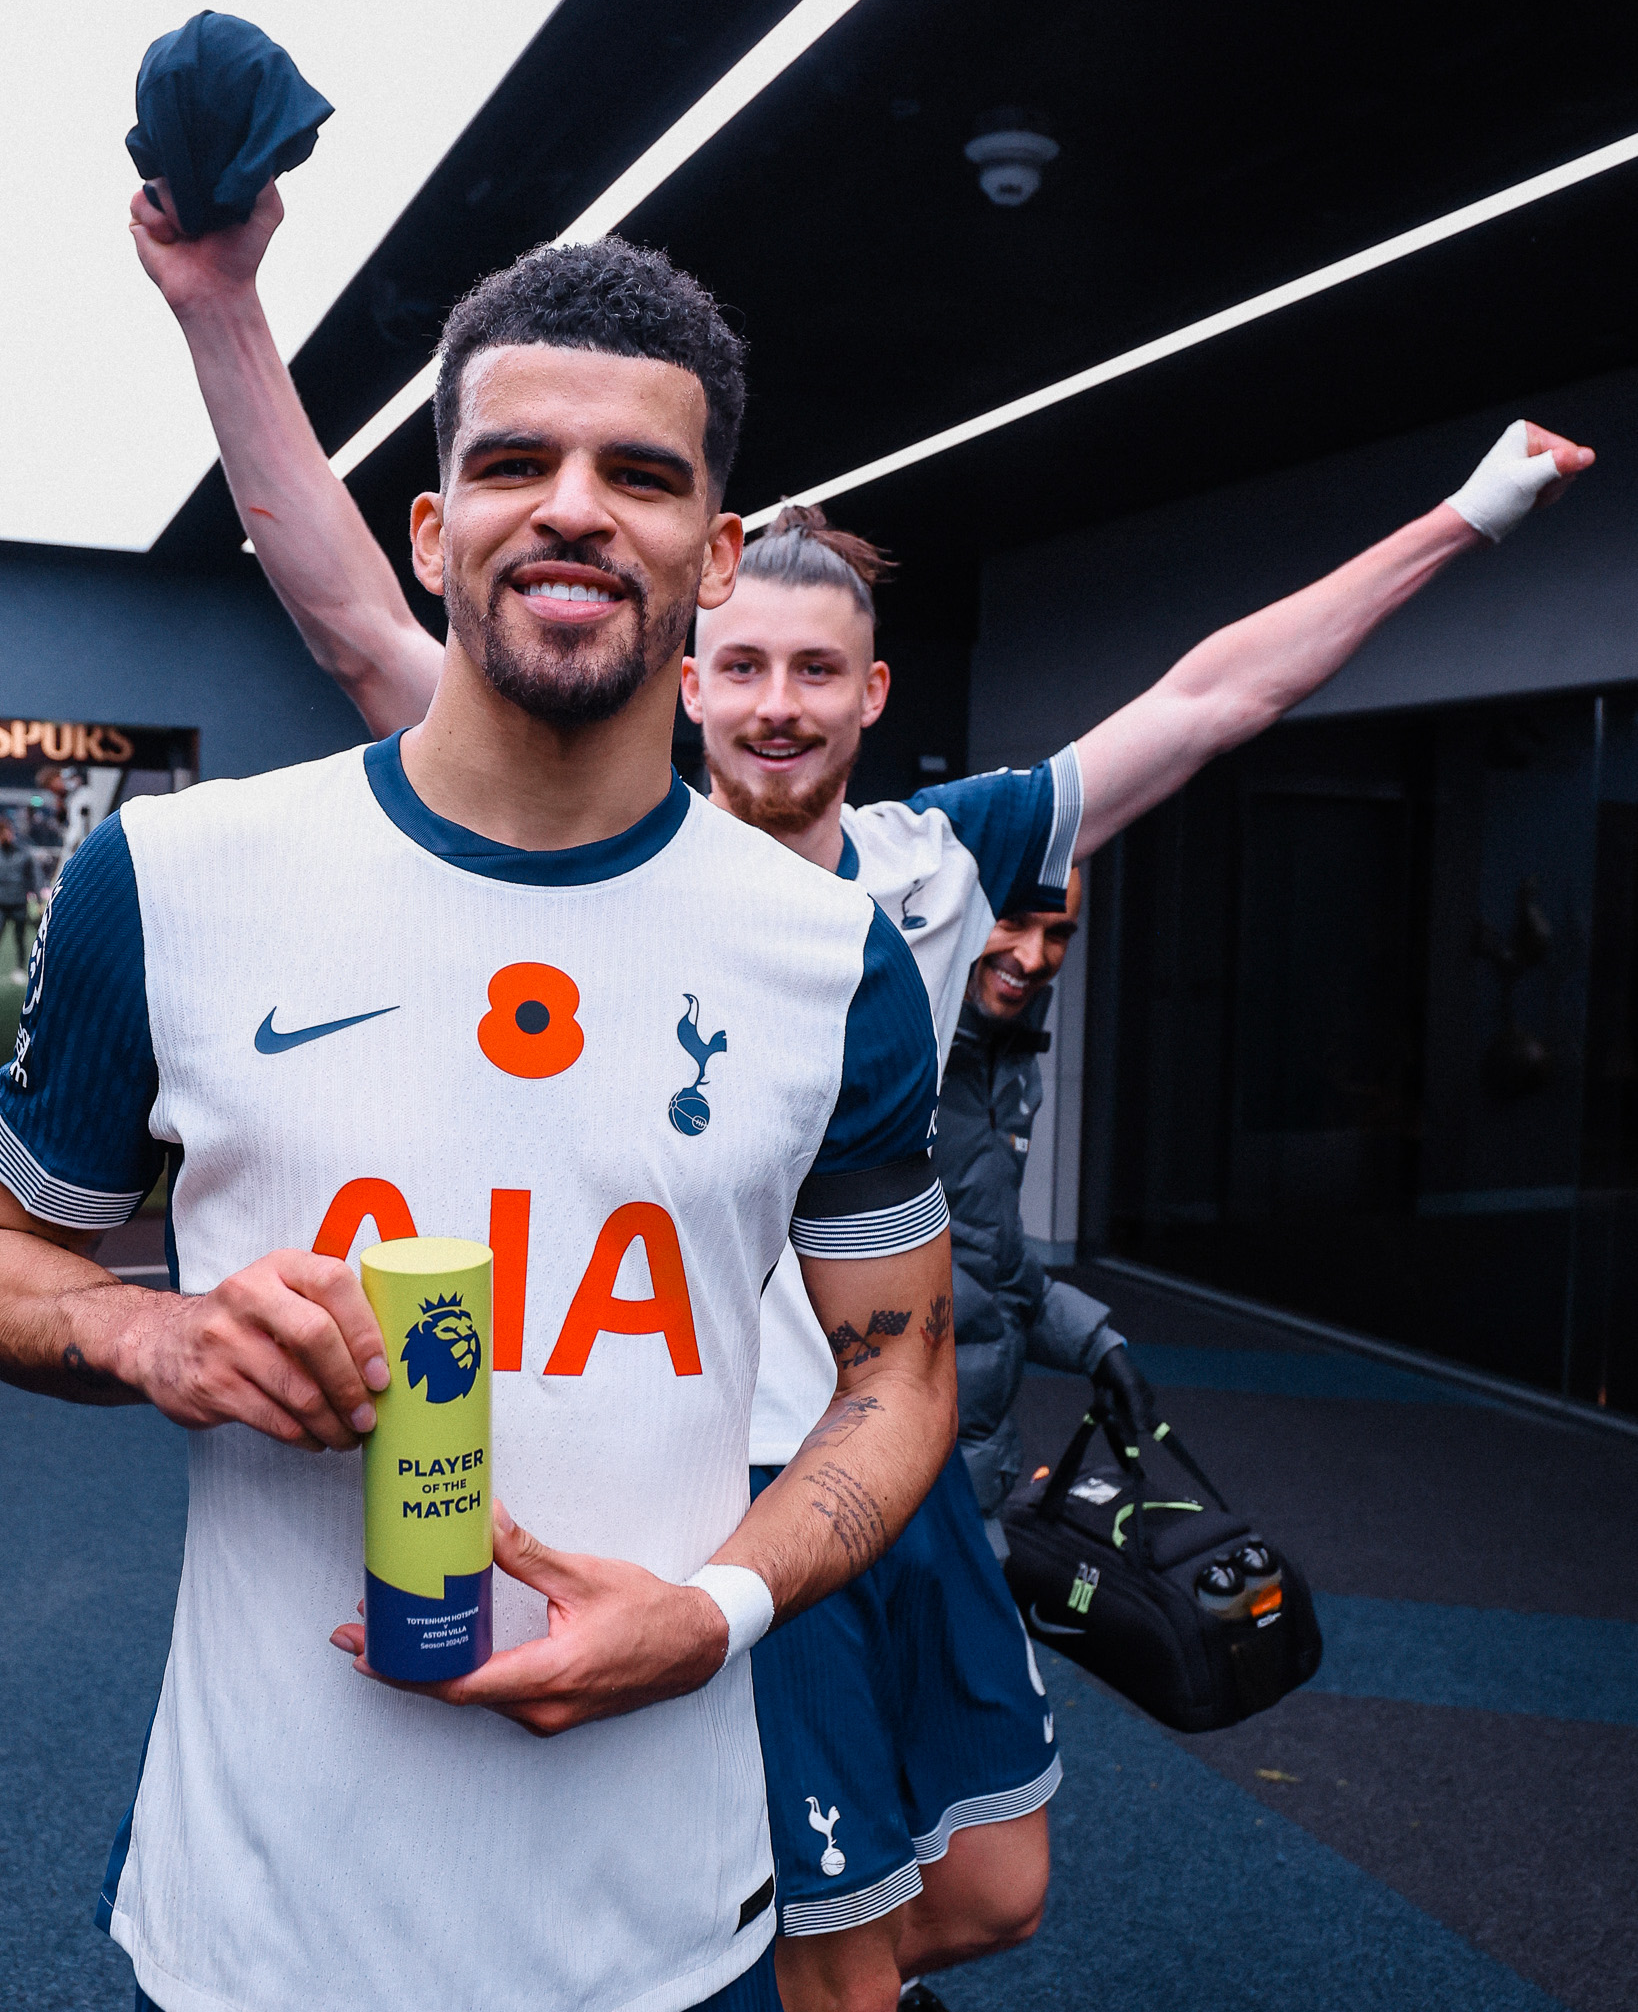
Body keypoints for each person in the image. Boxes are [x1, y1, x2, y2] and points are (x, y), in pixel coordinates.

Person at [128, 176, 1595, 2012]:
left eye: (810, 672)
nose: (768, 705)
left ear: (858, 685)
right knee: (804, 1933)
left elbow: (1211, 697)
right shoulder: (543, 810)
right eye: (739, 672)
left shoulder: (930, 864)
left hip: (897, 1451)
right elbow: (356, 609)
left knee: (982, 1883)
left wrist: (1465, 516)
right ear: (686, 652)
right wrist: (220, 309)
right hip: (691, 1453)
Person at [1, 233, 962, 2012]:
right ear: (435, 535)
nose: (574, 509)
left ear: (717, 552)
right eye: (513, 462)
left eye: (642, 474)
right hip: (257, 1922)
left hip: (656, 1919)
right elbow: (15, 1258)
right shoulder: (175, 877)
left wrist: (721, 1609)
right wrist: (150, 1324)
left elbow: (898, 1373)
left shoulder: (829, 958)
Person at [938, 868, 1149, 1528]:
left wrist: (1095, 1345)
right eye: (1012, 922)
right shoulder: (895, 1060)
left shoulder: (1011, 1064)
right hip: (897, 1475)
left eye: (1058, 934)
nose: (1034, 958)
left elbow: (991, 1261)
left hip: (976, 1464)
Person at [0, 818, 38, 978]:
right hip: (1, 903)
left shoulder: (23, 852)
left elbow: (33, 875)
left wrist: (37, 892)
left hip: (18, 902)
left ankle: (20, 969)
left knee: (20, 938)